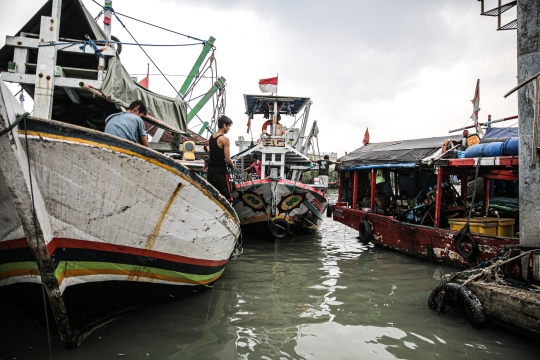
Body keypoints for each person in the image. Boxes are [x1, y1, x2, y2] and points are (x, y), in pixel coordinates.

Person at [208, 115, 234, 201]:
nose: (229, 129)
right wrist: (232, 164)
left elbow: (211, 153)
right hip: (220, 172)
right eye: (229, 126)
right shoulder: (224, 139)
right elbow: (227, 159)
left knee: (212, 196)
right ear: (224, 125)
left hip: (211, 172)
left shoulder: (211, 137)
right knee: (227, 197)